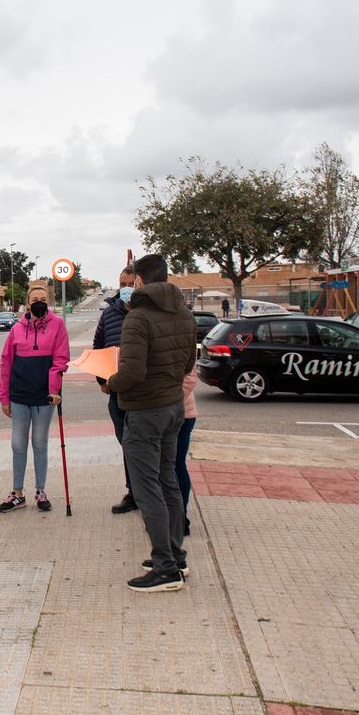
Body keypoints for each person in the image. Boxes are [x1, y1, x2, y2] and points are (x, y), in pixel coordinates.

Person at [106, 254, 197, 593]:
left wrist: (108, 383)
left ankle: (165, 568)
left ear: (140, 281)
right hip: (173, 407)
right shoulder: (184, 313)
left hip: (145, 411)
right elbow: (189, 362)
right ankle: (175, 556)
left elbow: (131, 374)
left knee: (147, 490)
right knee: (168, 481)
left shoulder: (138, 319)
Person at [0, 284, 71, 513]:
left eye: (42, 298)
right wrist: (4, 397)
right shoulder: (17, 329)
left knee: (39, 443)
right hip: (19, 395)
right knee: (18, 444)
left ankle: (41, 491)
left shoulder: (57, 325)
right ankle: (17, 493)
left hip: (45, 397)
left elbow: (61, 359)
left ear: (48, 301)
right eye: (34, 299)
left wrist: (54, 390)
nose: (38, 302)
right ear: (28, 303)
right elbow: (6, 363)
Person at [92, 265, 137, 514]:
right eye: (122, 284)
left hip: (142, 393)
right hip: (116, 392)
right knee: (126, 444)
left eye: (130, 284)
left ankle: (148, 493)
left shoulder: (146, 313)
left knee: (141, 444)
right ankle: (133, 492)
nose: (126, 289)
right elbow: (99, 345)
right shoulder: (109, 314)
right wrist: (101, 380)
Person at [176, 369, 197, 536]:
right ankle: (175, 517)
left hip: (181, 414)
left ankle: (179, 517)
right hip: (173, 411)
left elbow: (190, 378)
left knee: (176, 464)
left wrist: (165, 402)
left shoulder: (185, 342)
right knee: (171, 465)